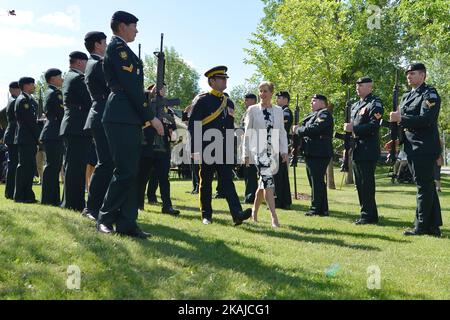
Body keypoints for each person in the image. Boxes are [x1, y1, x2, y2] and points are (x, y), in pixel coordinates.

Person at [96, 11, 163, 239]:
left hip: (127, 116)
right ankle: (104, 218)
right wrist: (151, 118)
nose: (136, 30)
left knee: (131, 172)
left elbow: (132, 88)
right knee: (124, 171)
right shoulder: (118, 49)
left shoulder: (123, 49)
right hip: (120, 116)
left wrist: (147, 95)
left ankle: (127, 222)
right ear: (123, 26)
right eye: (134, 26)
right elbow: (128, 88)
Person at [188, 66, 252, 226]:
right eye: (221, 78)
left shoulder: (228, 101)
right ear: (212, 81)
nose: (225, 81)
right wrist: (195, 149)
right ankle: (206, 215)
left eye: (225, 78)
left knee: (227, 181)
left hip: (224, 149)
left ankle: (237, 214)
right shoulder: (202, 100)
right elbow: (193, 126)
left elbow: (229, 127)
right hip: (206, 147)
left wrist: (231, 150)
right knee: (206, 182)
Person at [389, 62, 442, 237]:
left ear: (423, 75)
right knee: (427, 187)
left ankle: (420, 226)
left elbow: (425, 119)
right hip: (411, 145)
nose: (409, 76)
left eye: (413, 73)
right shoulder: (406, 96)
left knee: (423, 187)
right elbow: (402, 125)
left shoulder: (429, 94)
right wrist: (396, 139)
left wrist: (401, 117)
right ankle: (433, 226)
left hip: (424, 146)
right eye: (408, 74)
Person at [243, 82, 288, 228]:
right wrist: (246, 153)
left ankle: (254, 213)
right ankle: (274, 217)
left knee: (263, 184)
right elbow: (247, 132)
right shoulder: (252, 110)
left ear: (271, 93)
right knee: (268, 182)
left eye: (265, 91)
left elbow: (282, 132)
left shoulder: (278, 111)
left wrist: (284, 151)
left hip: (273, 150)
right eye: (260, 91)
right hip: (259, 150)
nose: (262, 94)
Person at [82, 31, 114, 221]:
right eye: (105, 42)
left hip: (101, 115)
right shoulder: (97, 64)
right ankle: (92, 207)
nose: (107, 45)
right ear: (97, 45)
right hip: (102, 116)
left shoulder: (94, 63)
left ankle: (98, 206)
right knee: (105, 163)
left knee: (107, 163)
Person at [344, 77, 383, 225]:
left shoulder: (375, 103)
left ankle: (368, 215)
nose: (357, 87)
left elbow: (374, 125)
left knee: (366, 183)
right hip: (357, 148)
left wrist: (354, 128)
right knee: (359, 184)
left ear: (369, 87)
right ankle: (367, 214)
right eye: (357, 85)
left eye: (361, 85)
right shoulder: (355, 105)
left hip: (368, 148)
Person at [137, 84, 180, 215]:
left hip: (163, 147)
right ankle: (138, 204)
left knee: (163, 178)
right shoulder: (146, 104)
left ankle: (167, 206)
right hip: (147, 145)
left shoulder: (168, 109)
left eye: (164, 89)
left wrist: (173, 132)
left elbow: (173, 126)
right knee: (142, 177)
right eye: (159, 88)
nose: (163, 91)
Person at [60, 51, 92, 212]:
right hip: (77, 126)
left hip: (73, 125)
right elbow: (89, 99)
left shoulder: (69, 76)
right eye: (86, 62)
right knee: (76, 167)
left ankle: (70, 202)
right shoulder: (78, 78)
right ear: (80, 62)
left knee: (73, 166)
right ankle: (74, 203)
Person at [292, 94, 334, 217]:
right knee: (316, 181)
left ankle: (315, 208)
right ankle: (323, 209)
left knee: (317, 181)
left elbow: (314, 129)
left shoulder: (324, 114)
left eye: (314, 101)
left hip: (319, 152)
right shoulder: (313, 115)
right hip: (312, 152)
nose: (311, 103)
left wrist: (298, 130)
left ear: (322, 103)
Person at [40, 68, 64, 206]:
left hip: (53, 133)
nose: (62, 79)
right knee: (52, 167)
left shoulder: (51, 92)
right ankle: (48, 199)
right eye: (60, 77)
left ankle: (53, 199)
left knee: (54, 167)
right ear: (53, 78)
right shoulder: (54, 93)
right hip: (53, 133)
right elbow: (60, 112)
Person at [14, 77, 40, 203]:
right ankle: (20, 195)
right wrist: (38, 137)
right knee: (25, 167)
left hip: (28, 139)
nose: (34, 86)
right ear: (26, 85)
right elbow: (30, 122)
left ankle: (27, 195)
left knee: (29, 168)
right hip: (26, 139)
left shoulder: (28, 99)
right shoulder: (23, 100)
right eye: (32, 84)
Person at [274, 91, 293, 210]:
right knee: (280, 175)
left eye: (279, 98)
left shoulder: (285, 112)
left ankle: (280, 200)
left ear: (285, 99)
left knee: (279, 175)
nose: (277, 100)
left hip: (280, 146)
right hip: (278, 145)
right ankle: (284, 201)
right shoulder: (280, 112)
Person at [3, 81, 21, 199]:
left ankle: (10, 192)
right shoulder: (14, 101)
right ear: (13, 90)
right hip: (13, 135)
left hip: (11, 135)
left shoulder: (12, 100)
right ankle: (10, 192)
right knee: (13, 164)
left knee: (12, 164)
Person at [240, 93, 258, 204]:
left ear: (253, 101)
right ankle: (249, 195)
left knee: (251, 172)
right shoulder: (246, 113)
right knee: (247, 172)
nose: (245, 102)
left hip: (254, 146)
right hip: (246, 145)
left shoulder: (256, 112)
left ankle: (251, 196)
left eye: (247, 100)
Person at [182, 104, 199, 194]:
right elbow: (185, 122)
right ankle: (195, 187)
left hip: (197, 146)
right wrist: (185, 112)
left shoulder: (199, 116)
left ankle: (199, 187)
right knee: (193, 167)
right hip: (190, 145)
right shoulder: (192, 117)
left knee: (196, 167)